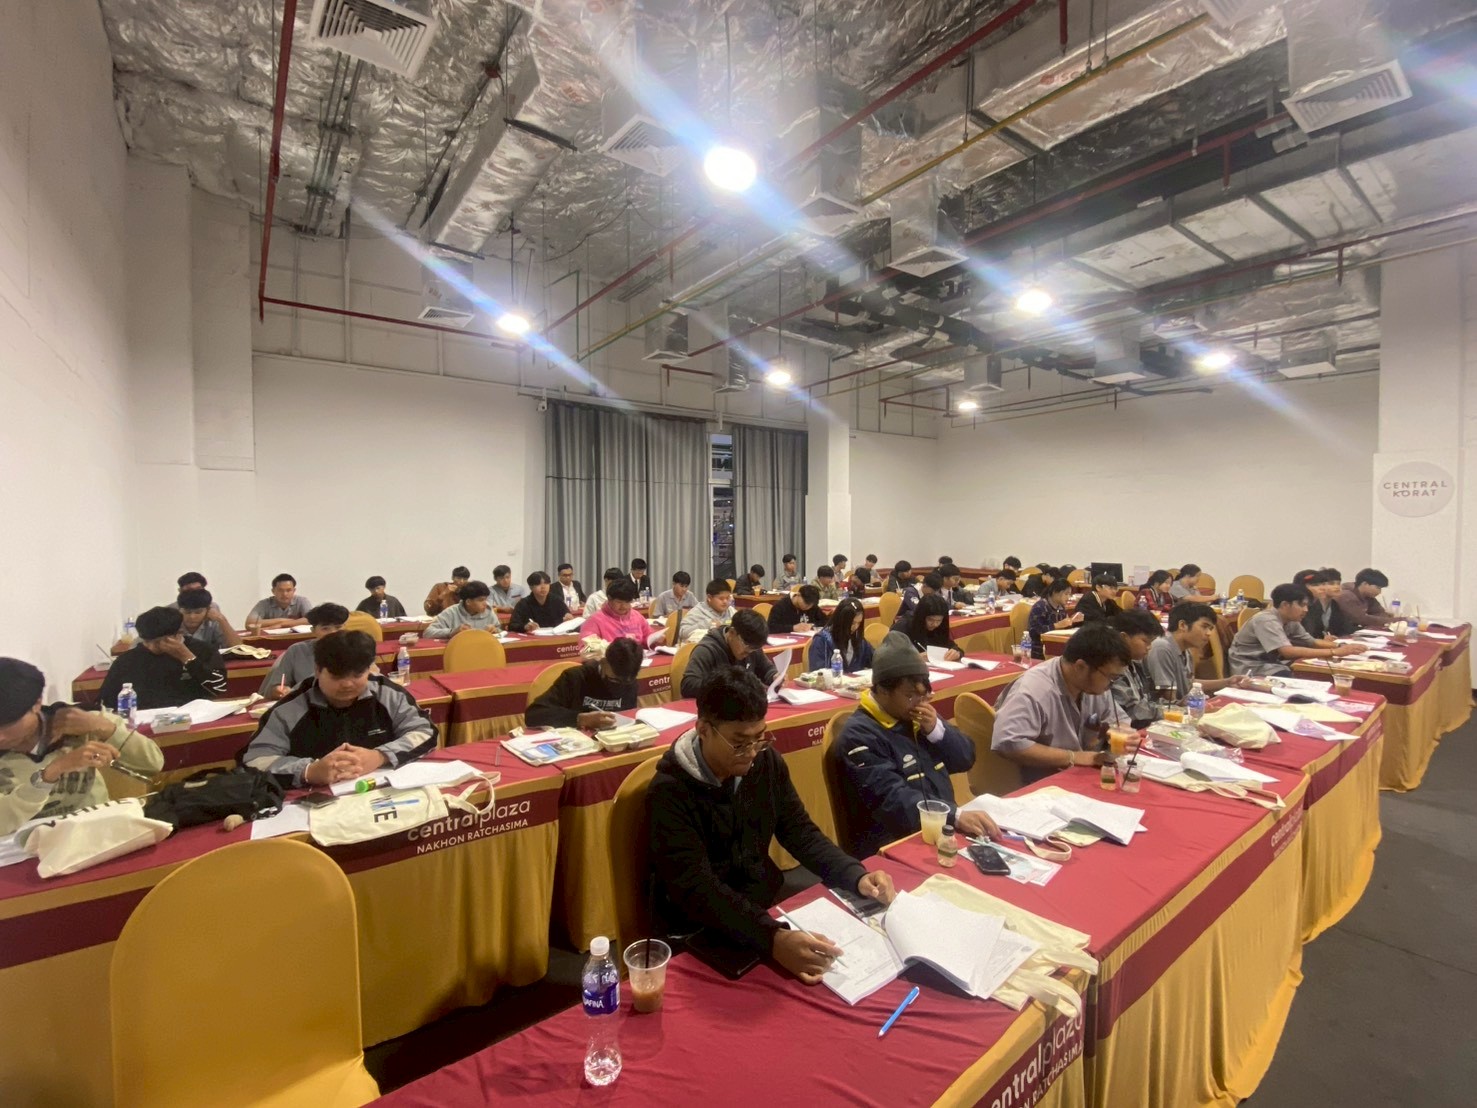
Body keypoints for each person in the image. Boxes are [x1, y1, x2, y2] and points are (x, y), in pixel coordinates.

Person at [647, 666, 897, 982]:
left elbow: (800, 832)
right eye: (740, 742)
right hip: (700, 929)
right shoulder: (669, 791)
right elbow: (696, 889)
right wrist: (772, 938)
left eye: (759, 738)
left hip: (761, 911)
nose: (752, 752)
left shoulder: (766, 763)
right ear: (704, 730)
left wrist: (855, 875)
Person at [828, 632, 998, 858]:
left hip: (940, 829)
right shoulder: (859, 735)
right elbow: (893, 800)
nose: (919, 702)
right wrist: (954, 816)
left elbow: (966, 759)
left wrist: (936, 730)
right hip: (894, 845)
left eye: (924, 694)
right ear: (882, 690)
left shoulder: (919, 716)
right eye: (910, 695)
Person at [242, 631, 436, 788]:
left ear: (369, 669)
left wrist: (380, 756)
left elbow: (424, 731)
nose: (347, 684)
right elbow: (255, 760)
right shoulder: (291, 707)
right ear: (318, 670)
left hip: (378, 788)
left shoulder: (387, 693)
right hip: (311, 798)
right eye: (337, 676)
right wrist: (309, 771)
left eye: (357, 675)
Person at [0, 658, 164, 835]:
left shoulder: (79, 720)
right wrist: (50, 774)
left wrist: (106, 728)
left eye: (8, 724)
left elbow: (153, 764)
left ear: (37, 703)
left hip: (96, 833)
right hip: (22, 844)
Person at [991, 622, 1129, 784]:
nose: (1112, 684)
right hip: (1044, 783)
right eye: (1111, 677)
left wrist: (1120, 732)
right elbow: (1008, 742)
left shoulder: (1094, 686)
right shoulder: (1034, 690)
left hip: (1085, 773)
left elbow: (1118, 720)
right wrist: (1073, 757)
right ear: (1081, 667)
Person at [100, 606, 229, 709]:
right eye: (147, 642)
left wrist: (187, 658)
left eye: (158, 642)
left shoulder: (202, 650)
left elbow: (219, 687)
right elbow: (106, 701)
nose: (151, 647)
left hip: (192, 714)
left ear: (178, 635)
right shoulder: (127, 660)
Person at [1229, 584, 1365, 676]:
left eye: (1307, 605)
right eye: (1302, 605)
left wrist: (1341, 647)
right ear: (1285, 605)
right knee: (1304, 677)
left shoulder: (1290, 619)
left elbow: (1310, 641)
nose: (1306, 610)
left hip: (1271, 664)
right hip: (1250, 667)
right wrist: (1333, 652)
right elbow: (1287, 652)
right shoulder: (1266, 620)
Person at [525, 639, 643, 730]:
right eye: (614, 679)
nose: (620, 685)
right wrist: (579, 719)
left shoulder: (629, 681)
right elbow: (534, 715)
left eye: (627, 681)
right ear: (603, 662)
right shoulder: (575, 677)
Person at [1148, 602, 1250, 699]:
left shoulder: (1185, 650)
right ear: (1182, 625)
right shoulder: (1162, 648)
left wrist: (1227, 682)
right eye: (1204, 627)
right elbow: (1169, 701)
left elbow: (1189, 684)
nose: (1209, 633)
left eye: (1210, 629)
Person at [258, 603, 350, 698]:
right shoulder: (297, 651)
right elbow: (273, 689)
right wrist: (279, 690)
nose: (333, 633)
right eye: (325, 628)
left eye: (338, 627)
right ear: (313, 631)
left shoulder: (354, 650)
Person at [680, 610, 778, 698]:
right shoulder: (707, 649)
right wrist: (727, 686)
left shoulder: (752, 647)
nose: (749, 652)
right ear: (732, 633)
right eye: (746, 645)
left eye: (754, 648)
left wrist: (775, 676)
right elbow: (688, 684)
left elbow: (767, 669)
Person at [1108, 609, 1167, 727]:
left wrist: (1175, 706)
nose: (1149, 647)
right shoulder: (1113, 670)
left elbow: (1148, 698)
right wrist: (1167, 711)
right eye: (1146, 641)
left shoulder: (1134, 664)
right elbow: (1132, 711)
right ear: (1123, 637)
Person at [807, 598, 873, 673]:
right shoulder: (822, 640)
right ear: (841, 620)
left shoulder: (859, 639)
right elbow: (818, 673)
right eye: (852, 623)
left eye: (859, 623)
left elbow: (874, 659)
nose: (856, 627)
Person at [423, 580, 503, 639]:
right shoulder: (451, 612)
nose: (485, 603)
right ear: (468, 602)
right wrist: (452, 632)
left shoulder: (488, 611)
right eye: (481, 600)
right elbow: (427, 633)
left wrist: (496, 630)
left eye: (486, 599)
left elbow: (500, 630)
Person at [582, 579, 652, 644]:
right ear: (609, 598)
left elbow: (649, 637)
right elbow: (588, 648)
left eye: (627, 602)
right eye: (619, 602)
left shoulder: (637, 616)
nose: (624, 606)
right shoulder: (594, 621)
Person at [1028, 578, 1083, 657]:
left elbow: (1063, 629)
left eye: (1070, 594)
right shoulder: (1040, 607)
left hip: (1058, 644)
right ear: (1055, 592)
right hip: (1041, 649)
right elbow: (1035, 632)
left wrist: (1073, 621)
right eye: (1066, 594)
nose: (1068, 597)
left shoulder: (1061, 607)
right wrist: (1057, 625)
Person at [902, 594, 963, 661]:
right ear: (922, 616)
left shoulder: (939, 628)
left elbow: (952, 646)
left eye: (939, 620)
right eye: (930, 620)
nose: (935, 624)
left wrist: (956, 652)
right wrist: (914, 658)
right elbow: (894, 656)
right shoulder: (904, 626)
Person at [178, 588, 242, 650]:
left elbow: (237, 646)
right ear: (179, 610)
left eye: (198, 612)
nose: (192, 617)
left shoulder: (214, 622)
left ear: (208, 610)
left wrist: (222, 619)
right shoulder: (174, 621)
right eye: (187, 612)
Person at [245, 573, 312, 631]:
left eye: (288, 590)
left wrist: (281, 625)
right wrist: (283, 620)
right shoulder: (263, 604)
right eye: (280, 590)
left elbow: (311, 620)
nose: (285, 594)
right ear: (273, 591)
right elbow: (249, 624)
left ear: (294, 590)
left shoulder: (302, 601)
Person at [682, 579, 735, 643]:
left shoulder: (731, 611)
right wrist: (706, 624)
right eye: (721, 598)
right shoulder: (697, 612)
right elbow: (682, 633)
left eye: (728, 598)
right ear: (709, 597)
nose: (725, 601)